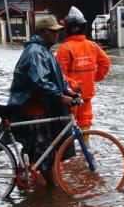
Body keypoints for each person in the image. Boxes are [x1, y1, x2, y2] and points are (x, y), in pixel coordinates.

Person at [7, 15, 78, 186]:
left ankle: (26, 178)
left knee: (37, 148)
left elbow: (57, 76)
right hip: (33, 108)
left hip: (41, 106)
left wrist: (68, 90)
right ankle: (53, 190)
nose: (56, 35)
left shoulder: (45, 50)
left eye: (58, 31)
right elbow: (40, 82)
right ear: (42, 32)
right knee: (44, 150)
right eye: (52, 32)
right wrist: (61, 97)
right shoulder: (36, 52)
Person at [56, 6, 111, 138]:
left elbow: (59, 75)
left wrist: (72, 85)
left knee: (68, 127)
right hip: (86, 95)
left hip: (70, 97)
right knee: (85, 124)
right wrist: (94, 78)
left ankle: (72, 155)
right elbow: (106, 62)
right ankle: (85, 153)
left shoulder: (65, 48)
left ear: (72, 28)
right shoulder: (92, 46)